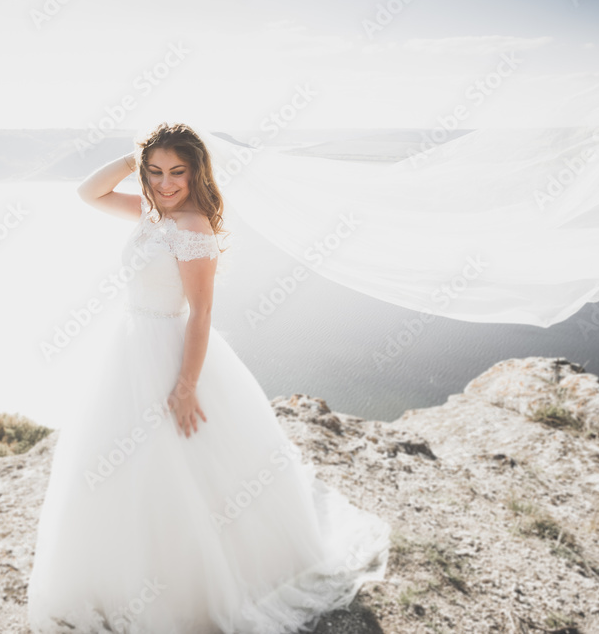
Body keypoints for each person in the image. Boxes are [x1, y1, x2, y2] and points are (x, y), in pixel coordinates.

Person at [26, 122, 391, 634]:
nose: (166, 182)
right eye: (156, 172)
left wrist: (185, 386)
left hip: (169, 350)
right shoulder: (151, 212)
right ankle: (119, 582)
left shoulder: (193, 227)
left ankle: (191, 592)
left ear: (197, 171)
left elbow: (200, 314)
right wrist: (140, 160)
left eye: (177, 171)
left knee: (182, 467)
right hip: (128, 348)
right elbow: (88, 192)